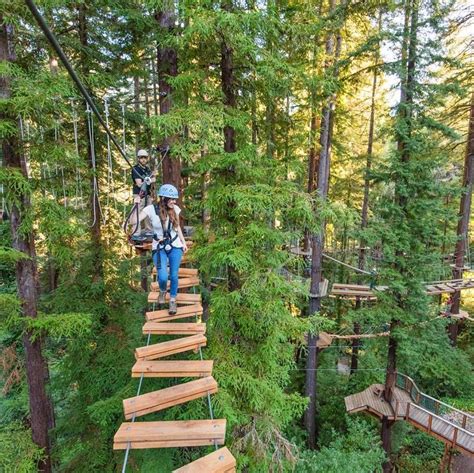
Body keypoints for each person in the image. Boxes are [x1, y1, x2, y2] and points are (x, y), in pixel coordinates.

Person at [133, 184, 188, 314]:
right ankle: (163, 291)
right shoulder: (150, 209)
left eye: (175, 199)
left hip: (175, 246)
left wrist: (183, 242)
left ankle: (173, 300)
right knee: (162, 277)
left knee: (174, 275)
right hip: (159, 247)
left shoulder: (175, 209)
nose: (174, 202)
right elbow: (133, 221)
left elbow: (177, 227)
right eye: (171, 199)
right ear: (163, 198)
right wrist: (135, 205)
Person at [131, 149, 155, 234]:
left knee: (148, 212)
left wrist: (150, 180)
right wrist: (147, 180)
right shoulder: (136, 169)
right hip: (139, 194)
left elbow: (154, 179)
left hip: (147, 194)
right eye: (141, 158)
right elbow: (139, 184)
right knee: (137, 212)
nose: (143, 159)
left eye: (145, 157)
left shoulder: (147, 170)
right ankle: (136, 231)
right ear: (138, 158)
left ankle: (148, 229)